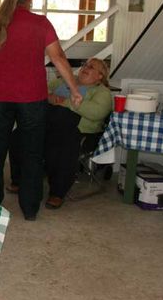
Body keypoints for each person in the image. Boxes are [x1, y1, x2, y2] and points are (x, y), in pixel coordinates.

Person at [0, 0, 82, 221]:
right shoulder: (40, 23)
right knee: (33, 153)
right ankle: (30, 208)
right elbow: (58, 58)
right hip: (32, 98)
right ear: (28, 2)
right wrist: (74, 88)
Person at [43, 58, 113, 208]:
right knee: (22, 133)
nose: (85, 68)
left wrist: (65, 103)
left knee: (65, 136)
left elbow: (97, 112)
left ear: (100, 76)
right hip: (51, 121)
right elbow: (43, 89)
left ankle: (57, 193)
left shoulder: (103, 92)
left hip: (81, 131)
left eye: (91, 67)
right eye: (85, 65)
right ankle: (19, 180)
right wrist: (50, 97)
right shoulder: (66, 80)